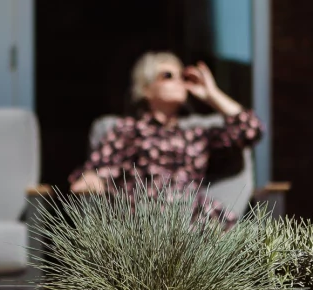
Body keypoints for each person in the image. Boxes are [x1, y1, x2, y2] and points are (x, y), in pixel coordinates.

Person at [69, 51, 264, 226]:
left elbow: (251, 129)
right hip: (144, 222)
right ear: (146, 88)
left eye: (182, 76)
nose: (179, 81)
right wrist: (93, 181)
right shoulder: (129, 131)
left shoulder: (196, 134)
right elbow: (94, 173)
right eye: (168, 76)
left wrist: (211, 93)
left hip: (193, 222)